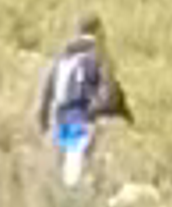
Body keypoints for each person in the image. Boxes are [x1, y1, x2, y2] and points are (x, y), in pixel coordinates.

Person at [37, 16, 128, 194]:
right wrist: (97, 110)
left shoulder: (63, 57)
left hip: (60, 116)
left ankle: (68, 202)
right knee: (77, 170)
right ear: (98, 31)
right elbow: (109, 89)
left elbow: (47, 89)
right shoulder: (97, 55)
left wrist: (43, 120)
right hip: (80, 114)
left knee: (68, 165)